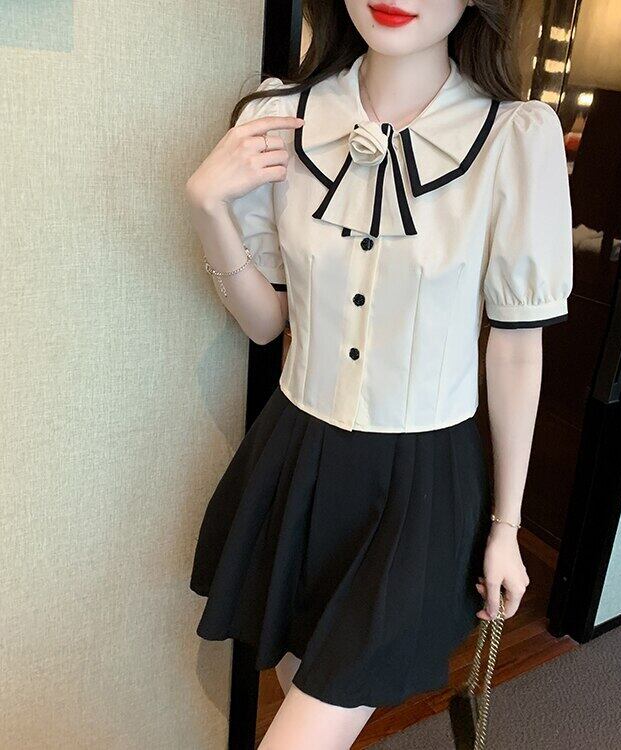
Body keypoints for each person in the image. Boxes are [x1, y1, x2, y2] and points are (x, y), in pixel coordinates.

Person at [185, 0, 573, 747]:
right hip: (297, 458)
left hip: (423, 484)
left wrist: (507, 526)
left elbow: (516, 348)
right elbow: (266, 324)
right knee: (301, 687)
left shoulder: (514, 137)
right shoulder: (281, 116)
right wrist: (207, 208)